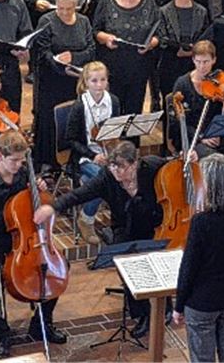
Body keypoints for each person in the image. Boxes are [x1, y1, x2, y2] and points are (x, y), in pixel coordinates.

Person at [34, 140, 165, 339]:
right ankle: (142, 314)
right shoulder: (107, 177)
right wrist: (53, 207)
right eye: (113, 166)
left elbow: (176, 168)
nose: (117, 172)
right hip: (125, 226)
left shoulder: (152, 166)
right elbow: (79, 194)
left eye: (122, 167)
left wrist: (190, 159)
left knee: (162, 260)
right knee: (128, 266)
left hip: (156, 222)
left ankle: (167, 307)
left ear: (135, 163)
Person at [0, 130, 65, 359]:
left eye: (22, 160)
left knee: (57, 268)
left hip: (25, 242)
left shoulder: (23, 179)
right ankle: (1, 334)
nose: (19, 165)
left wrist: (39, 187)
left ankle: (42, 324)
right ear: (0, 156)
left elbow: (35, 207)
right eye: (14, 161)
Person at [172, 154, 224, 363]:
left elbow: (189, 267)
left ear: (210, 184)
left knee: (203, 359)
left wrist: (178, 305)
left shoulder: (202, 221)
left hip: (202, 303)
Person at [31, 0, 95, 169]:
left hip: (76, 80)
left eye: (69, 8)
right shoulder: (46, 20)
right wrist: (59, 64)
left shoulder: (83, 22)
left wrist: (74, 58)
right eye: (60, 8)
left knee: (73, 120)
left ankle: (72, 160)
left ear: (76, 5)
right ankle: (49, 162)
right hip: (52, 79)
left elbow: (91, 49)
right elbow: (42, 52)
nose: (65, 12)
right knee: (49, 121)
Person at [169, 40, 224, 177]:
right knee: (216, 165)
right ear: (193, 60)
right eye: (198, 61)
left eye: (206, 62)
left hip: (219, 135)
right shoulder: (182, 84)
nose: (202, 66)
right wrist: (202, 137)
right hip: (194, 137)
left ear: (214, 60)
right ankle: (215, 194)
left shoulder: (220, 81)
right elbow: (177, 123)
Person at [92, 0, 161, 115]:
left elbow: (159, 34)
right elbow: (96, 31)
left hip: (139, 65)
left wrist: (151, 43)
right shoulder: (106, 1)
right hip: (113, 65)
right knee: (113, 110)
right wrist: (107, 38)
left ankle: (131, 140)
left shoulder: (149, 3)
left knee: (134, 110)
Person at [64, 61, 120, 244]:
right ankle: (86, 219)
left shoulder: (113, 101)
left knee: (129, 171)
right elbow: (71, 139)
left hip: (109, 153)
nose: (99, 85)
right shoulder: (80, 106)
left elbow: (117, 131)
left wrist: (112, 153)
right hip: (84, 157)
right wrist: (93, 156)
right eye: (94, 81)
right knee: (105, 178)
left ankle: (120, 219)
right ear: (86, 82)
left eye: (102, 80)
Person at [158, 0, 210, 109]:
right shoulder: (163, 11)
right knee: (171, 103)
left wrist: (193, 51)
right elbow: (162, 38)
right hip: (171, 61)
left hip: (195, 63)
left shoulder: (202, 11)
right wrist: (178, 49)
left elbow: (206, 36)